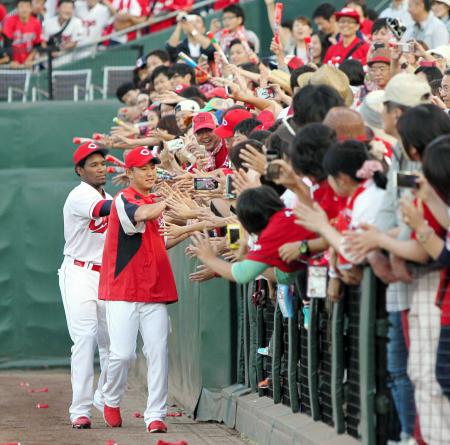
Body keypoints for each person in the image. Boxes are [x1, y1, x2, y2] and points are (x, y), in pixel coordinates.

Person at [99, 147, 186, 433]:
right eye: (143, 167)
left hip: (155, 288)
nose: (150, 172)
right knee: (123, 354)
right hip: (123, 288)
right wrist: (169, 200)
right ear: (129, 172)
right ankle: (110, 399)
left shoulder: (154, 199)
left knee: (157, 351)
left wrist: (192, 224)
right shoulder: (124, 199)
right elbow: (143, 214)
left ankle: (155, 415)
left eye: (153, 167)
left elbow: (160, 240)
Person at [58, 141, 112, 429]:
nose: (100, 168)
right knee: (86, 338)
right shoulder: (79, 195)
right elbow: (105, 209)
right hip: (79, 272)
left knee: (114, 345)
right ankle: (80, 409)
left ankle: (103, 396)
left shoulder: (114, 195)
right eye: (93, 164)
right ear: (80, 171)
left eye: (102, 163)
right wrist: (139, 198)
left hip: (106, 275)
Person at [189, 186, 315, 285]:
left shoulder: (269, 236)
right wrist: (246, 255)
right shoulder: (288, 212)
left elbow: (242, 274)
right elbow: (283, 276)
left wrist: (209, 258)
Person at [2, 0, 42, 68]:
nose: (24, 9)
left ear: (31, 9)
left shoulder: (36, 23)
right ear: (17, 9)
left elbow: (37, 45)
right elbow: (7, 44)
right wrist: (12, 60)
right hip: (13, 62)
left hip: (29, 62)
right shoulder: (10, 21)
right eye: (21, 7)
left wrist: (29, 59)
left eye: (27, 7)